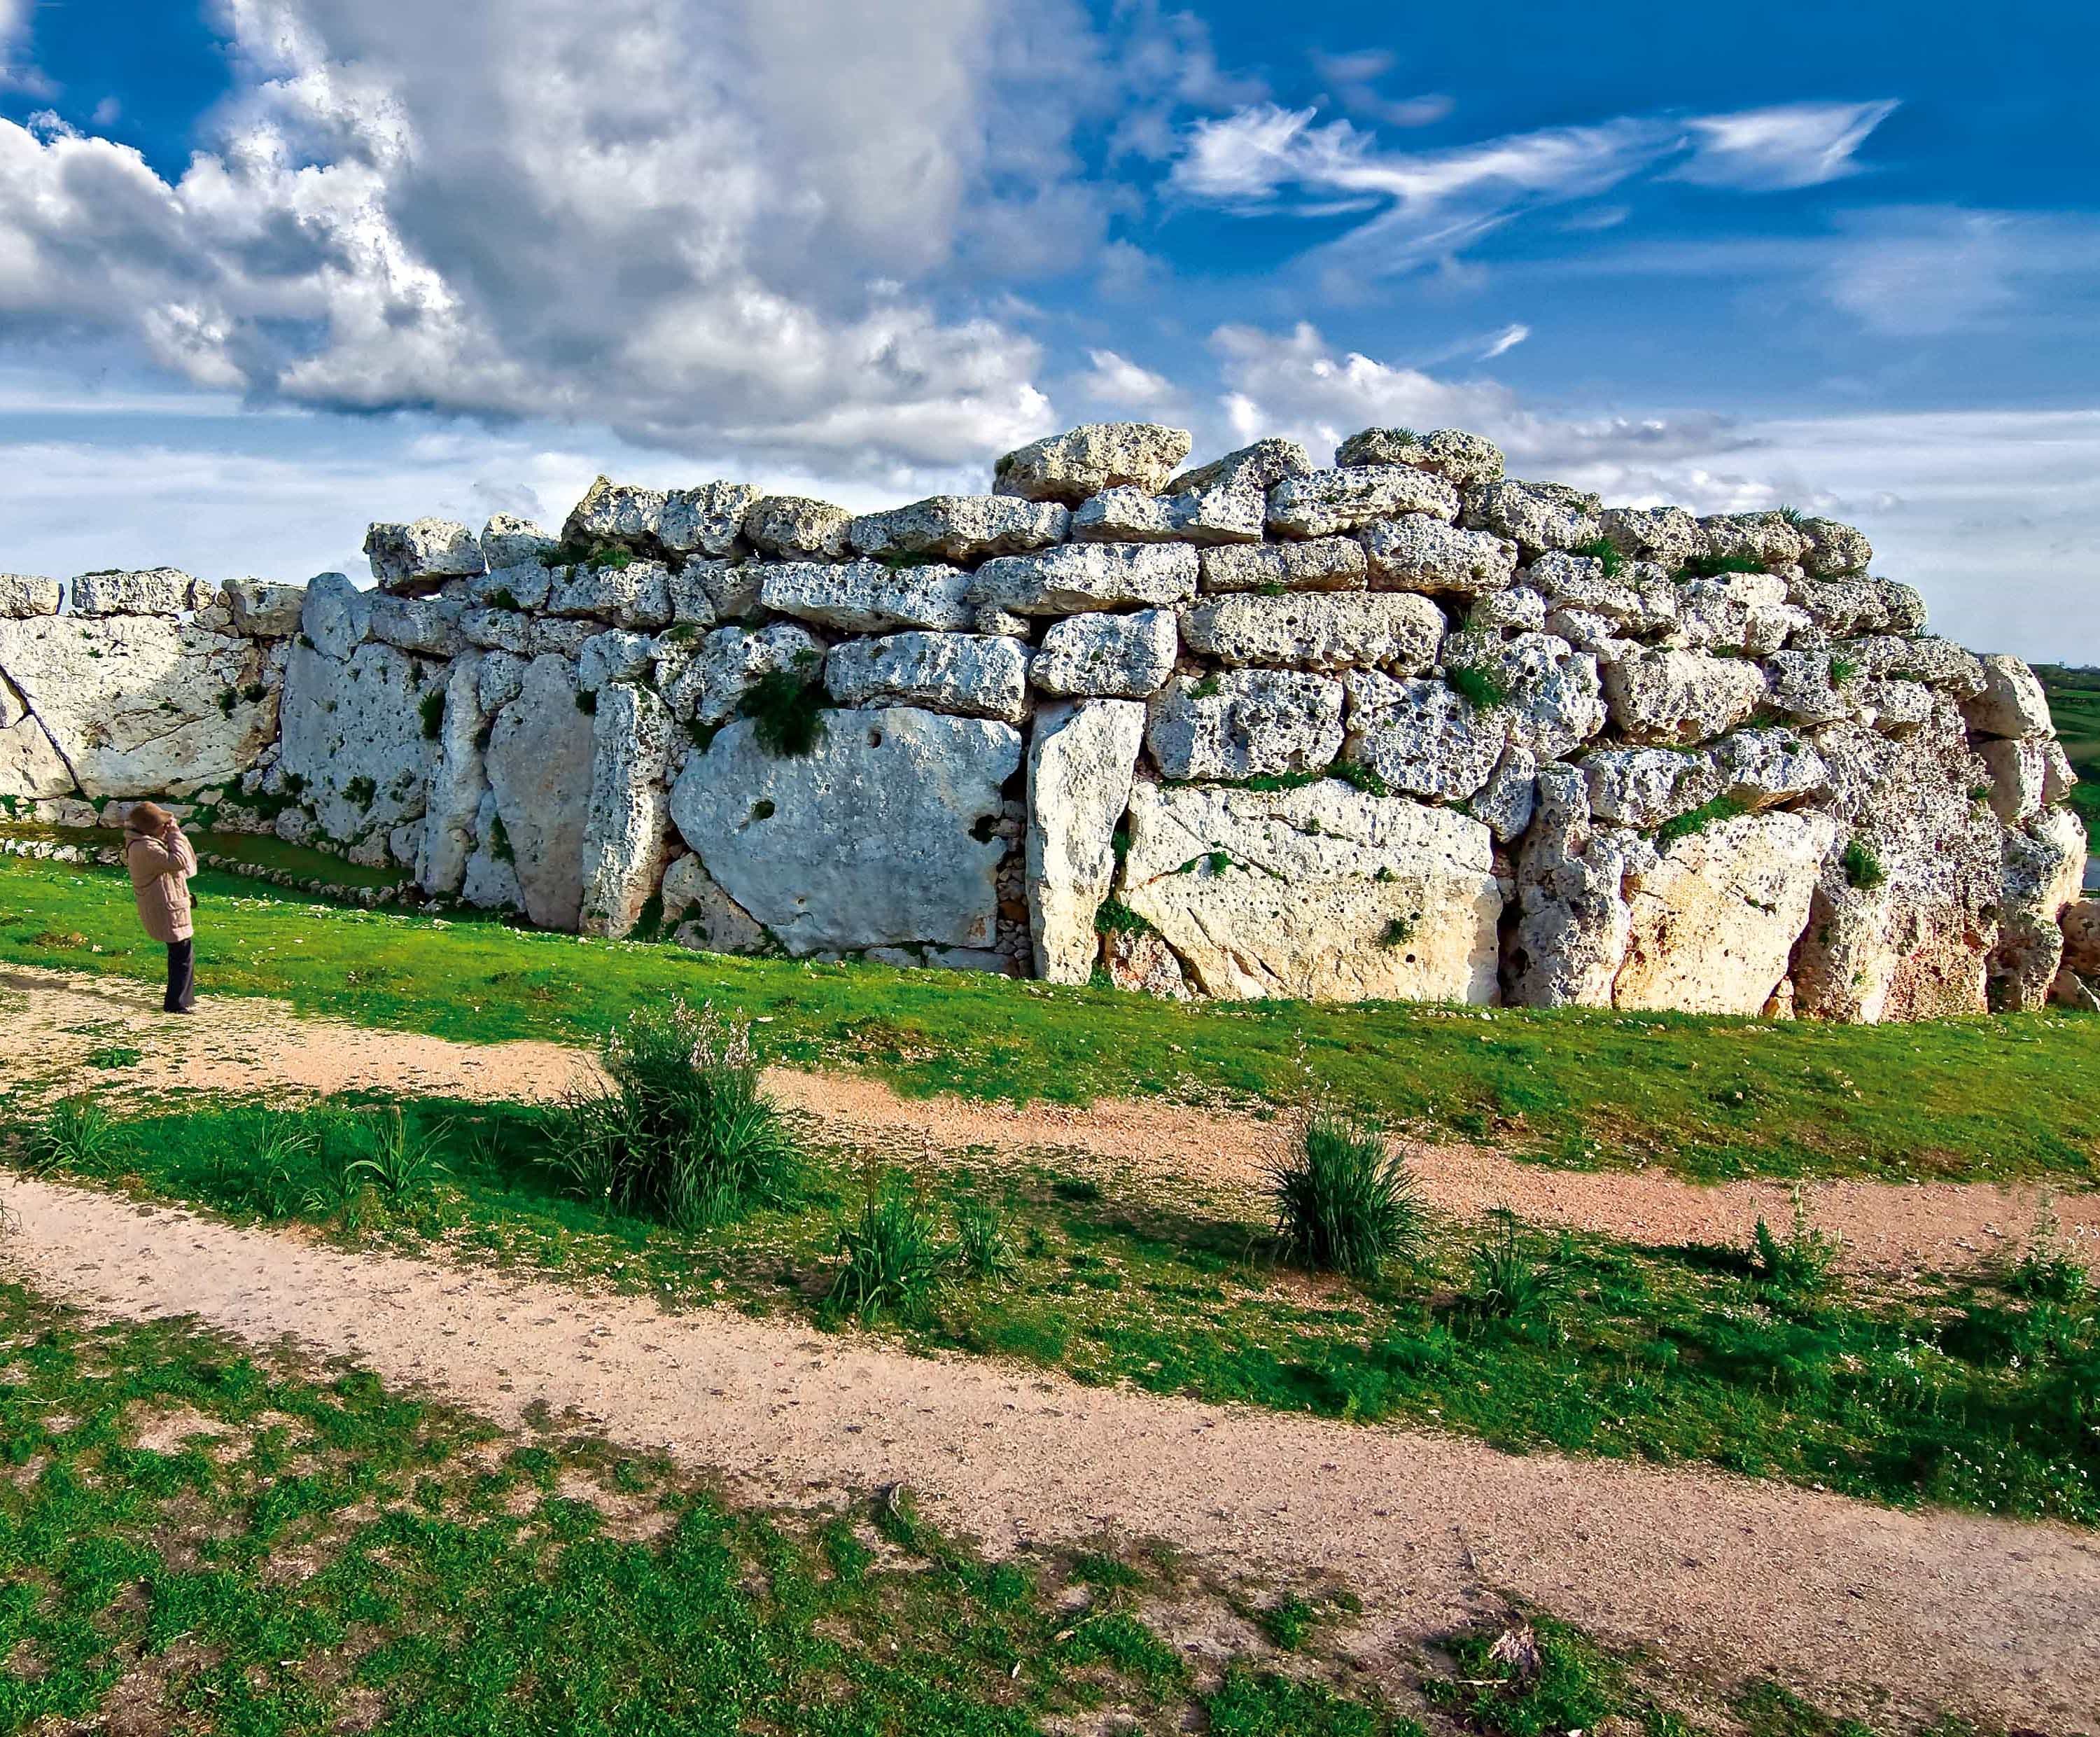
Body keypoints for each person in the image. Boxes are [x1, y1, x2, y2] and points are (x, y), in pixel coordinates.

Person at [123, 802, 199, 1013]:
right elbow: (180, 861)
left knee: (183, 953)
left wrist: (171, 834)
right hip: (166, 909)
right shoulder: (146, 848)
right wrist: (175, 833)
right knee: (181, 955)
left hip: (166, 905)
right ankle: (176, 1003)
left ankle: (184, 999)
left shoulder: (143, 844)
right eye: (161, 825)